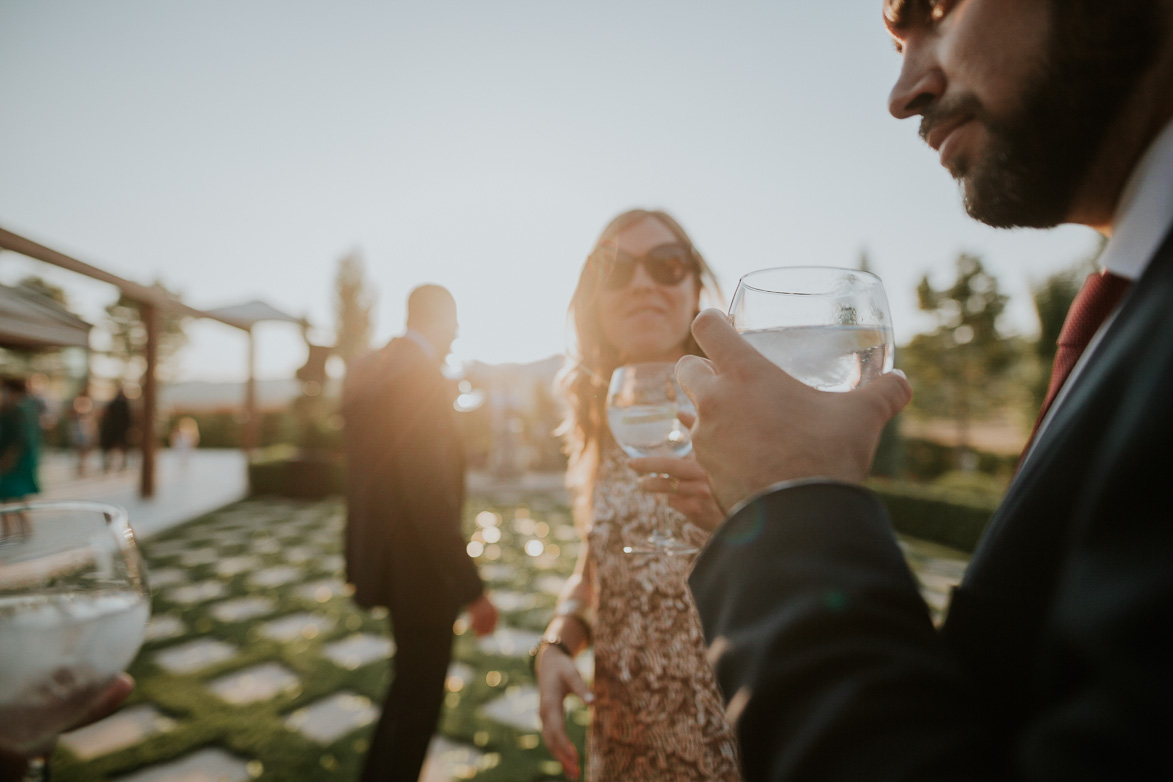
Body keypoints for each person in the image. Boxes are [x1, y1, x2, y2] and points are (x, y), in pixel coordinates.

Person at [677, 1, 1173, 780]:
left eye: (936, 10)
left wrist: (790, 503)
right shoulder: (1134, 307)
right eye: (895, 43)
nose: (902, 92)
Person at [534, 209, 742, 782]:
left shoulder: (744, 406)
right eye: (616, 269)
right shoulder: (606, 419)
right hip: (623, 733)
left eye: (667, 264)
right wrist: (557, 643)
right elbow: (596, 565)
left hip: (725, 733)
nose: (644, 282)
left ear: (695, 284)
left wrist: (733, 520)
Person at [341, 284, 498, 782]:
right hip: (421, 574)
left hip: (391, 561)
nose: (456, 335)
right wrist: (473, 590)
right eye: (453, 323)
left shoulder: (383, 365)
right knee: (418, 703)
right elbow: (429, 498)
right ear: (440, 319)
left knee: (406, 690)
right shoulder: (419, 378)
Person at [0, 377, 42, 540]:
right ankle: (16, 532)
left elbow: (19, 441)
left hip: (14, 463)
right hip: (18, 461)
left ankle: (16, 533)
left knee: (11, 497)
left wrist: (5, 462)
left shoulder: (18, 410)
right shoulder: (23, 407)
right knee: (14, 498)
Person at [99, 386, 135, 473]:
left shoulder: (117, 404)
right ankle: (119, 464)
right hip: (118, 429)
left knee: (117, 447)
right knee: (119, 447)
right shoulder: (122, 404)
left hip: (116, 429)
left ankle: (114, 464)